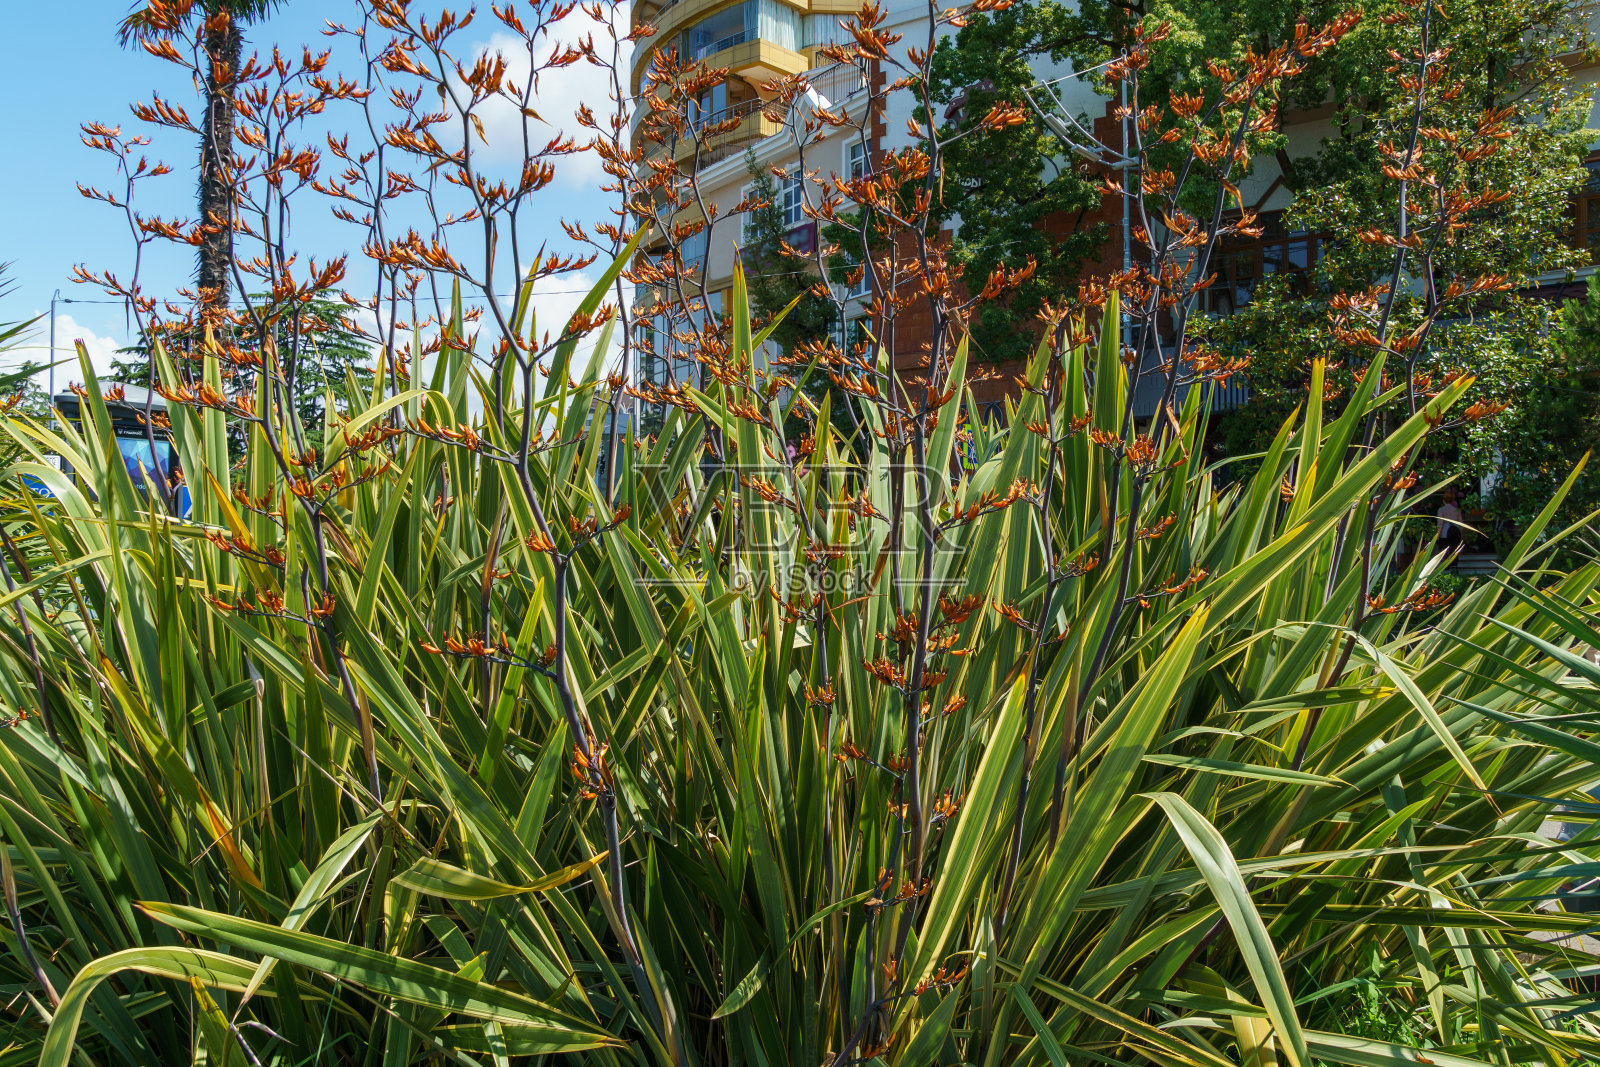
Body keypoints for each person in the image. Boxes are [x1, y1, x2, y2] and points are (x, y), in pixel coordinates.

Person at [1436, 490, 1464, 554]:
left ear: (1444, 500)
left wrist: (1437, 535)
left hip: (1445, 533)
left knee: (1444, 552)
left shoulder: (1441, 510)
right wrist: (1461, 535)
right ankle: (1454, 563)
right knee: (1454, 551)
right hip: (1456, 531)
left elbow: (1440, 524)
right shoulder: (1457, 510)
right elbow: (1461, 523)